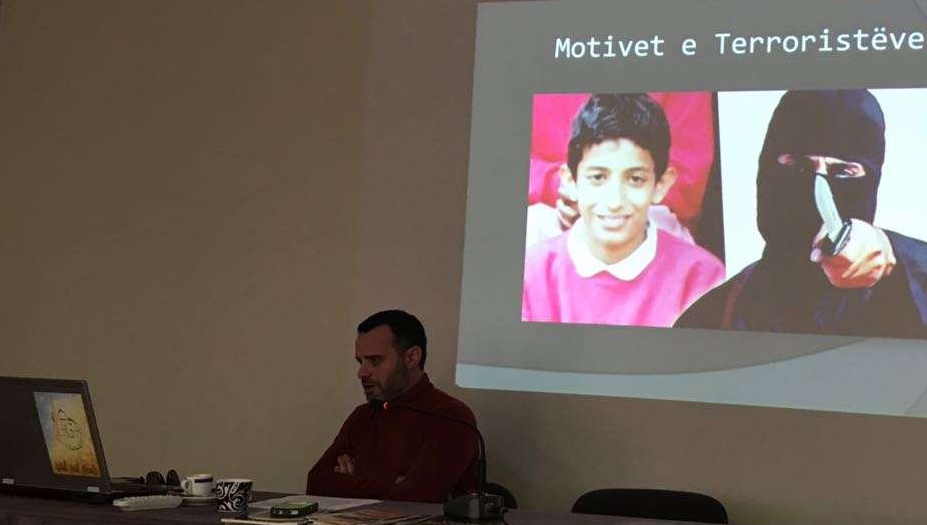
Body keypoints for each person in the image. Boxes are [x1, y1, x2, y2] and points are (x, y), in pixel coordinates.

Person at [676, 89, 927, 337]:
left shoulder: (922, 291)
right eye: (797, 166)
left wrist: (890, 256)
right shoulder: (709, 320)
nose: (816, 189)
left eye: (843, 172)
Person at [522, 93, 725, 327]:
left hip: (654, 213)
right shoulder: (530, 271)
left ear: (662, 184)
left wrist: (593, 188)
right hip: (553, 207)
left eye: (634, 178)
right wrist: (559, 188)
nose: (614, 201)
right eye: (599, 177)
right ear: (569, 179)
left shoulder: (703, 276)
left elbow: (688, 177)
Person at [306, 310, 479, 502]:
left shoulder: (451, 416)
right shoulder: (362, 416)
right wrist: (391, 483)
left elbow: (416, 499)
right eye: (360, 361)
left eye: (375, 360)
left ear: (411, 358)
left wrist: (351, 480)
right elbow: (316, 482)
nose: (361, 373)